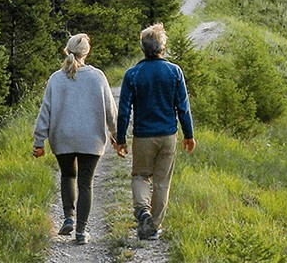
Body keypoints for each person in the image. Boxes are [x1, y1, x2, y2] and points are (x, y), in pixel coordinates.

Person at [32, 33, 117, 245]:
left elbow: (46, 111)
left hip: (63, 138)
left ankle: (68, 217)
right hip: (91, 139)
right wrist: (116, 135)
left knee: (68, 175)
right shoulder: (98, 76)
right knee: (85, 183)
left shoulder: (56, 78)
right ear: (86, 52)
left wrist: (39, 141)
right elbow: (110, 110)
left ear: (67, 50)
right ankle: (81, 231)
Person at [116, 23, 195, 240]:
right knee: (162, 181)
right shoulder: (174, 71)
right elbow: (183, 107)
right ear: (162, 47)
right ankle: (153, 228)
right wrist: (188, 135)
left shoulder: (132, 74)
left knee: (140, 176)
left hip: (143, 136)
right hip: (168, 135)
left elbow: (123, 111)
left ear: (143, 47)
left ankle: (142, 211)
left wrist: (120, 139)